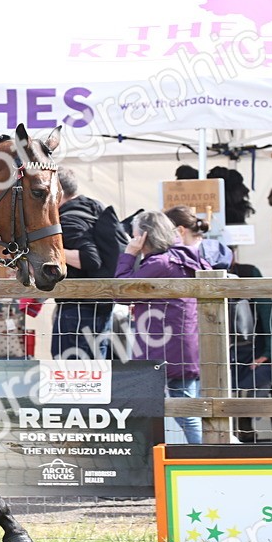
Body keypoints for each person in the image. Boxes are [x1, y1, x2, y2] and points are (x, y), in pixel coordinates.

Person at [115, 211, 211, 443]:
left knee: (181, 415)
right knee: (189, 411)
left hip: (161, 350)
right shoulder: (185, 257)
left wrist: (128, 255)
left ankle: (206, 460)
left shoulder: (159, 263)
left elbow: (121, 292)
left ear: (143, 235)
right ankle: (212, 458)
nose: (132, 237)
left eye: (134, 234)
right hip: (185, 347)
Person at [51, 169, 128, 359]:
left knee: (72, 370)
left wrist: (51, 251)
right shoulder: (93, 206)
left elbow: (90, 259)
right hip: (100, 303)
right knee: (95, 370)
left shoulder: (70, 219)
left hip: (78, 309)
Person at [228, 248, 272, 442]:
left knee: (263, 375)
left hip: (252, 349)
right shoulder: (198, 273)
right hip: (220, 352)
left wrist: (268, 352)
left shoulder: (248, 272)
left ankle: (246, 416)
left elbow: (269, 315)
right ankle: (222, 428)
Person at [165, 204, 232, 270]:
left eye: (167, 232)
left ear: (180, 230)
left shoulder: (179, 258)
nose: (165, 237)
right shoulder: (219, 250)